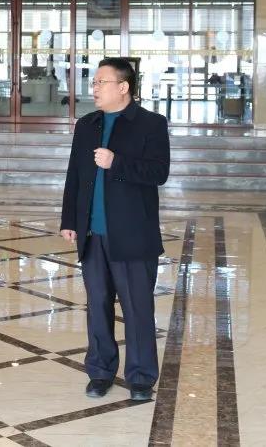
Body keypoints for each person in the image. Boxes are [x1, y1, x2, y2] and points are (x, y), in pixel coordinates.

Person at [60, 57, 170, 403]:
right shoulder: (87, 124)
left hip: (133, 235)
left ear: (123, 87)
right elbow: (75, 174)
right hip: (93, 235)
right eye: (93, 82)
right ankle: (100, 371)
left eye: (101, 82)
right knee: (98, 306)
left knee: (137, 309)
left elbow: (159, 173)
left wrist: (116, 162)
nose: (94, 88)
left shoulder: (151, 124)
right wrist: (69, 219)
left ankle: (141, 377)